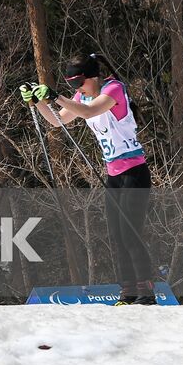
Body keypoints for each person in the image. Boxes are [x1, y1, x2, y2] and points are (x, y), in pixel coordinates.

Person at [21, 54, 155, 305]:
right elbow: (57, 120)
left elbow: (89, 111)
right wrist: (38, 102)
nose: (77, 89)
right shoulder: (82, 97)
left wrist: (56, 96)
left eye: (78, 83)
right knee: (116, 235)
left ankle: (147, 292)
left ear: (93, 77)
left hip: (135, 173)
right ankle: (128, 292)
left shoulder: (113, 89)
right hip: (113, 175)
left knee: (130, 234)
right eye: (72, 85)